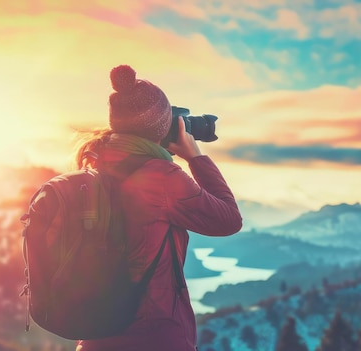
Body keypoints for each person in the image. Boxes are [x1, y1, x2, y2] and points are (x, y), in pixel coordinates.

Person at [74, 65, 243, 351]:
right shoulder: (160, 177)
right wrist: (195, 158)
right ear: (159, 128)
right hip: (153, 337)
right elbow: (228, 220)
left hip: (97, 336)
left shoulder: (96, 167)